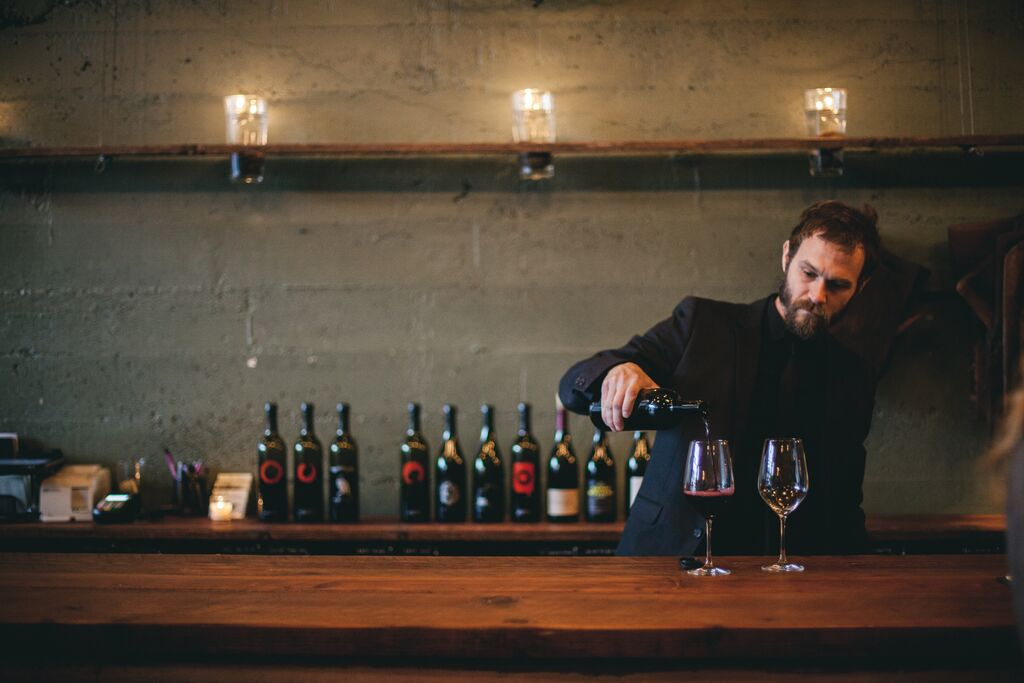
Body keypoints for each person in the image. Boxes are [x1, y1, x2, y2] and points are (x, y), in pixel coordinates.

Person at [559, 200, 880, 556]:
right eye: (808, 273)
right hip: (668, 561)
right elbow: (574, 386)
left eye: (837, 285)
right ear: (787, 257)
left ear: (861, 287)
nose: (818, 295)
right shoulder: (702, 324)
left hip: (787, 579)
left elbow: (845, 507)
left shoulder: (854, 375)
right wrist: (616, 372)